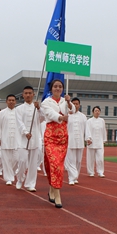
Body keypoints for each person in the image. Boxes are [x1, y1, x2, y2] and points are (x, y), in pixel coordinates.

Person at [41, 79, 75, 208]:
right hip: (51, 136)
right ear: (51, 88)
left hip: (63, 137)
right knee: (53, 163)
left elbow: (72, 110)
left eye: (60, 86)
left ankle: (52, 190)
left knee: (59, 166)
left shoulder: (65, 101)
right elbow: (50, 113)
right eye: (55, 86)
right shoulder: (46, 102)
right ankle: (57, 194)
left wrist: (68, 102)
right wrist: (61, 117)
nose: (58, 88)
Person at [0, 94, 19, 186]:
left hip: (17, 140)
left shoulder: (19, 112)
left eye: (13, 100)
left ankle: (11, 172)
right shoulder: (2, 113)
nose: (11, 102)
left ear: (15, 102)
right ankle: (9, 178)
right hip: (5, 139)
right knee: (6, 160)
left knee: (16, 159)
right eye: (9, 100)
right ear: (6, 101)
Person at [64, 97, 86, 185]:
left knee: (78, 161)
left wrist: (88, 138)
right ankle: (71, 178)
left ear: (79, 105)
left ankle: (76, 176)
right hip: (70, 141)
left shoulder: (83, 116)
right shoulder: (67, 116)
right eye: (74, 104)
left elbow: (86, 129)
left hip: (80, 141)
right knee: (71, 160)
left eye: (77, 104)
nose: (75, 105)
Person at [85, 106, 106, 178]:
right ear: (93, 112)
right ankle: (91, 172)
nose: (97, 112)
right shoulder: (89, 121)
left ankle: (100, 172)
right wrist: (88, 138)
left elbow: (103, 130)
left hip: (100, 142)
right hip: (91, 142)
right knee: (90, 159)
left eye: (98, 111)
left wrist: (104, 139)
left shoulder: (102, 121)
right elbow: (87, 130)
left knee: (100, 158)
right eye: (96, 111)